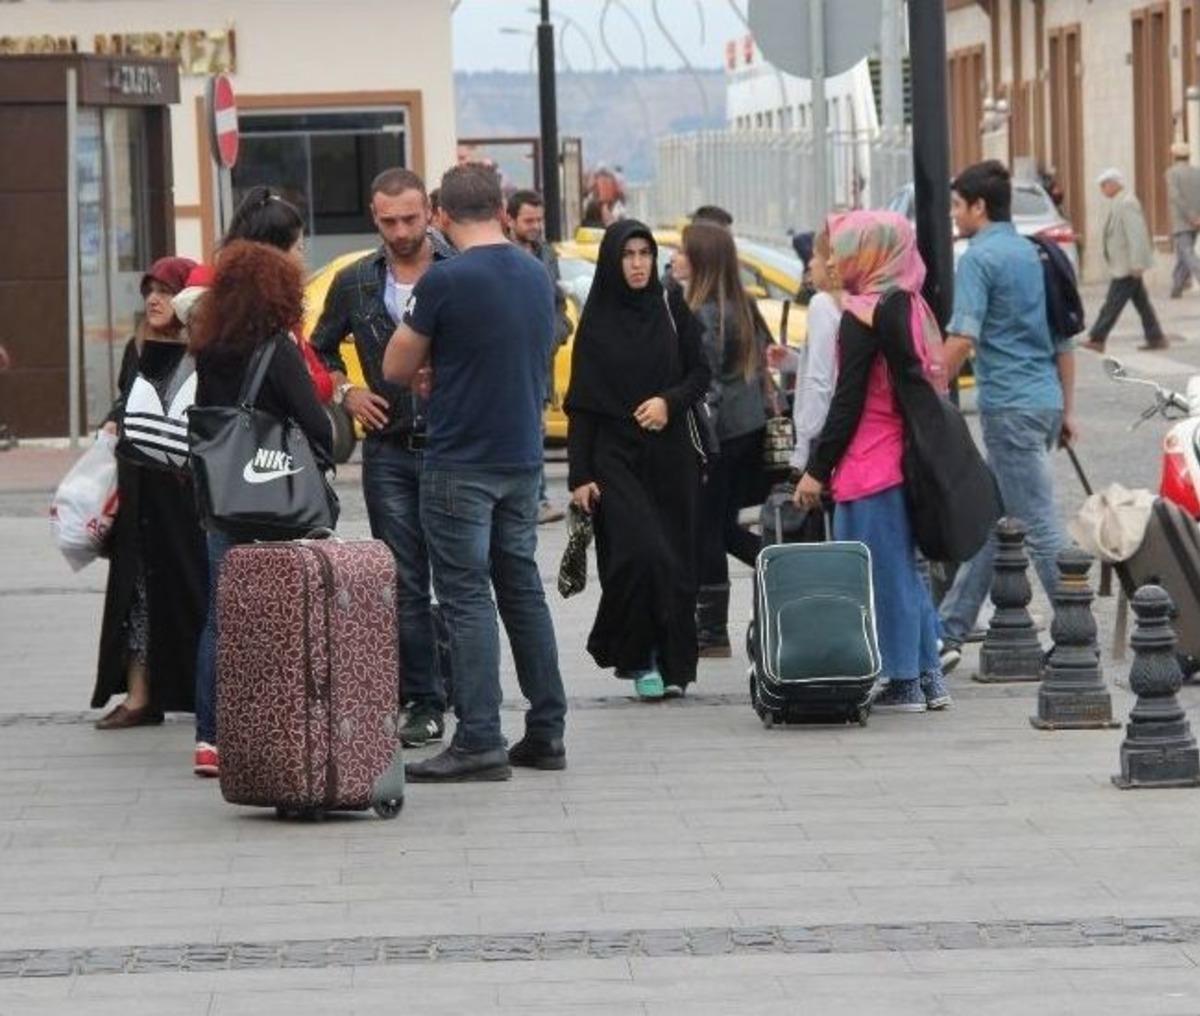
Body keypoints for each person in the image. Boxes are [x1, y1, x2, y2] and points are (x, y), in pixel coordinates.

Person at [383, 164, 568, 782]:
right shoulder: (536, 273)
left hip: (460, 460)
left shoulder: (446, 280)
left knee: (464, 597)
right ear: (500, 207)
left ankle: (481, 738)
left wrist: (432, 362)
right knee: (521, 589)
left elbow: (393, 365)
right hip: (522, 457)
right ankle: (546, 729)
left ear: (439, 214)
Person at [311, 168, 455, 750]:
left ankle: (471, 693)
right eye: (389, 220)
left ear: (430, 213)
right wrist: (345, 392)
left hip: (453, 445)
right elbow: (315, 349)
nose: (401, 231)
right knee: (401, 580)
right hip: (390, 449)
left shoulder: (458, 270)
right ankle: (421, 697)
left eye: (411, 218)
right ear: (375, 218)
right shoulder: (356, 281)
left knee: (464, 577)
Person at [795, 211, 950, 713]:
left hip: (868, 463)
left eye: (845, 249)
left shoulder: (861, 316)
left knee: (879, 573)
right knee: (906, 570)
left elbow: (849, 400)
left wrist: (817, 468)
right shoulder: (908, 304)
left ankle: (902, 678)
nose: (837, 261)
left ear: (871, 253)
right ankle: (928, 676)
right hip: (902, 457)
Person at [189, 241, 333, 777]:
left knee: (221, 618)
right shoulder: (277, 350)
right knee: (284, 614)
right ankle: (277, 724)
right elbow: (315, 425)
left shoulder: (209, 348)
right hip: (280, 504)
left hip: (225, 499)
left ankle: (211, 739)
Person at [936, 160, 1074, 672]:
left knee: (1037, 521)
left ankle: (1076, 627)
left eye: (957, 206)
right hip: (1042, 400)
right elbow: (1064, 340)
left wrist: (928, 387)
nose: (953, 216)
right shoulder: (1037, 252)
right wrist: (1066, 409)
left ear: (979, 207)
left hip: (1009, 404)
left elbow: (964, 336)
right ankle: (947, 631)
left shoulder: (979, 259)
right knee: (994, 520)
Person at [563, 220, 712, 698]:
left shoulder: (672, 309)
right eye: (627, 255)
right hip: (614, 455)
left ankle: (671, 666)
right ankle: (637, 654)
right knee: (636, 553)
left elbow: (700, 374)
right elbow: (581, 405)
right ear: (612, 261)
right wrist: (579, 475)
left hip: (670, 456)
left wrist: (669, 401)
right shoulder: (596, 323)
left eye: (645, 253)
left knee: (674, 563)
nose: (637, 263)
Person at [93, 256, 208, 730]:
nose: (155, 299)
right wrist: (112, 418)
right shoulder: (137, 349)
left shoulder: (203, 353)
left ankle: (204, 691)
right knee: (136, 594)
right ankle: (140, 696)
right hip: (139, 492)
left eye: (166, 290)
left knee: (191, 590)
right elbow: (126, 402)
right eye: (150, 291)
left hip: (183, 496)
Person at [680, 221, 770, 657]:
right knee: (718, 525)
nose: (676, 259)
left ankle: (713, 630)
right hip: (747, 427)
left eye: (683, 252)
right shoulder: (742, 304)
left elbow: (708, 383)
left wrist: (699, 442)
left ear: (700, 260)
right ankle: (775, 561)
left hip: (721, 435)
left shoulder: (705, 313)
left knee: (707, 529)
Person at [506, 188, 570, 525]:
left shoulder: (546, 253)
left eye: (538, 220)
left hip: (540, 361)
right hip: (508, 359)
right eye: (528, 220)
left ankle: (537, 498)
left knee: (536, 429)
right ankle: (531, 499)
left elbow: (557, 303)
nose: (534, 226)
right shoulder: (500, 253)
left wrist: (556, 333)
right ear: (510, 219)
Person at [767, 224, 843, 475]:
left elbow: (821, 381)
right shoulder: (854, 302)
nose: (810, 264)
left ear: (833, 263)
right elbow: (835, 365)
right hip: (845, 429)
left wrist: (804, 452)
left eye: (816, 256)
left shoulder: (822, 304)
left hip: (823, 438)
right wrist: (793, 361)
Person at [1081, 168, 1167, 353]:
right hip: (1124, 264)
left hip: (1127, 265)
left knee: (1112, 303)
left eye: (1104, 185)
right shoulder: (1118, 202)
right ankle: (1155, 336)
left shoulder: (1127, 203)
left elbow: (1136, 234)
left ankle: (1098, 338)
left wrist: (1137, 262)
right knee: (1141, 303)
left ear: (1114, 184)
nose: (1102, 190)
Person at [1166, 141, 1200, 299]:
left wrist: (1191, 216)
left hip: (1183, 220)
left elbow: (1176, 197)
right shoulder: (1197, 172)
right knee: (1183, 255)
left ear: (1173, 156)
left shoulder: (1172, 173)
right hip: (1197, 220)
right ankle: (1177, 287)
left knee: (1187, 253)